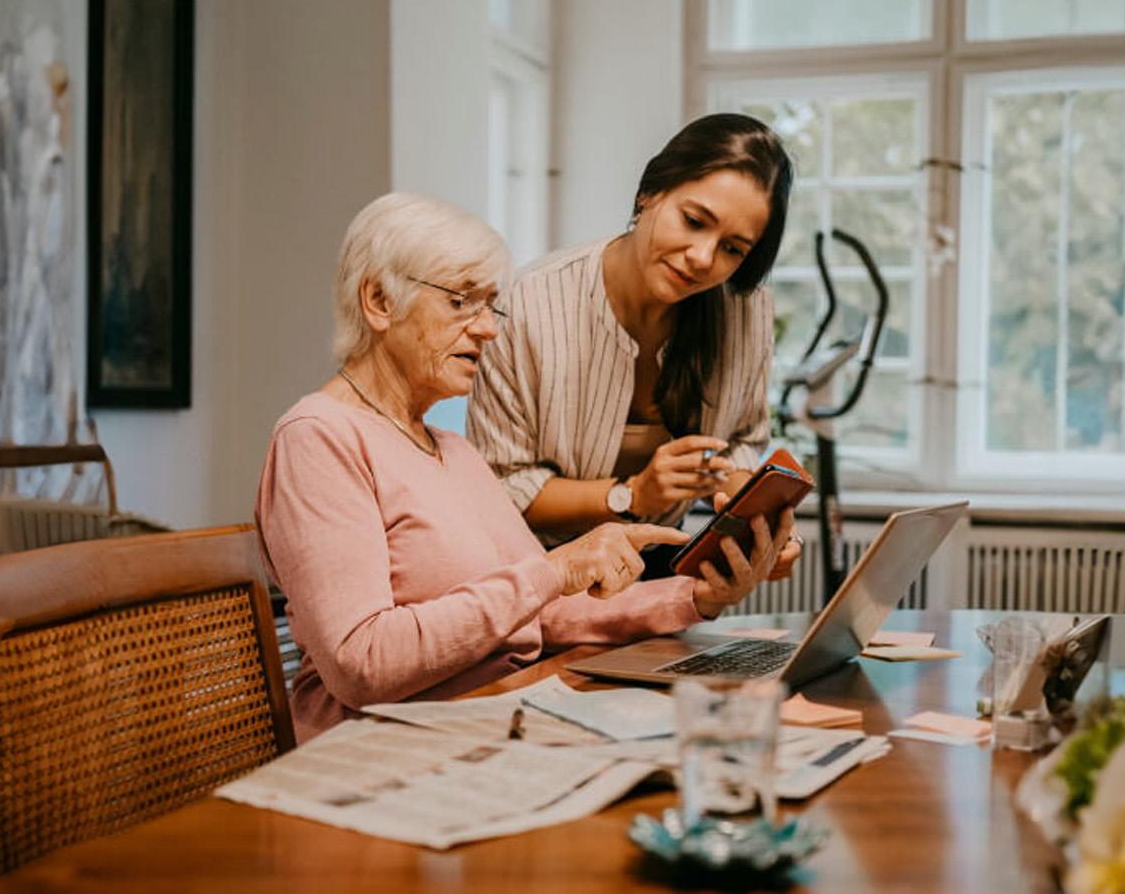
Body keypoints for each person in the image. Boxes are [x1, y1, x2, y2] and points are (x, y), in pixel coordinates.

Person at [255, 193, 793, 742]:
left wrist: (694, 597)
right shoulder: (319, 438)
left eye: (491, 306)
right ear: (378, 301)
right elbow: (361, 664)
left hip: (496, 721)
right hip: (382, 749)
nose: (488, 329)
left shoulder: (451, 449)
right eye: (462, 302)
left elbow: (542, 615)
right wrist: (552, 570)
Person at [466, 113, 803, 579]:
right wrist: (632, 494)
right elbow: (501, 487)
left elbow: (739, 446)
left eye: (733, 249)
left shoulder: (744, 311)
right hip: (540, 575)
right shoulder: (529, 303)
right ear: (650, 192)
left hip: (662, 573)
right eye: (693, 221)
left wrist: (758, 525)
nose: (703, 258)